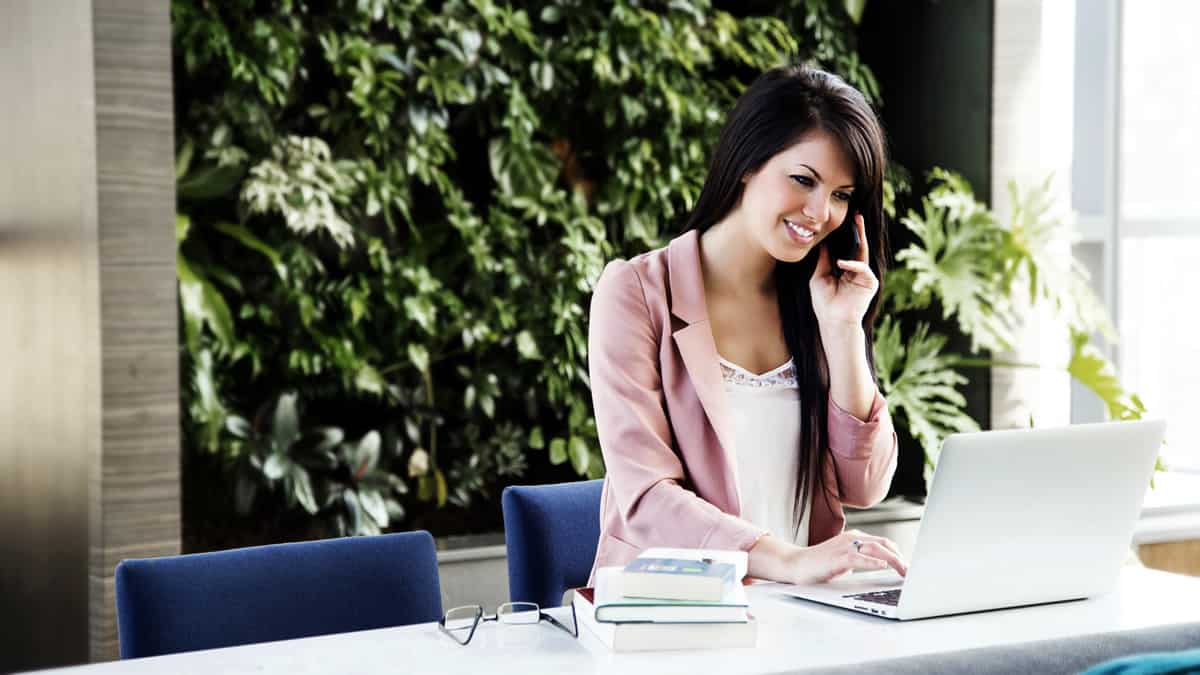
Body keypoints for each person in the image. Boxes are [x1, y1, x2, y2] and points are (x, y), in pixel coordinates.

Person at [587, 65, 907, 586]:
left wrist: (844, 331)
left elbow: (866, 485)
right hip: (673, 612)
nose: (820, 212)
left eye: (842, 194)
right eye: (803, 180)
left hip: (802, 616)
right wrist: (787, 559)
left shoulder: (819, 301)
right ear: (746, 164)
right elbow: (645, 497)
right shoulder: (637, 293)